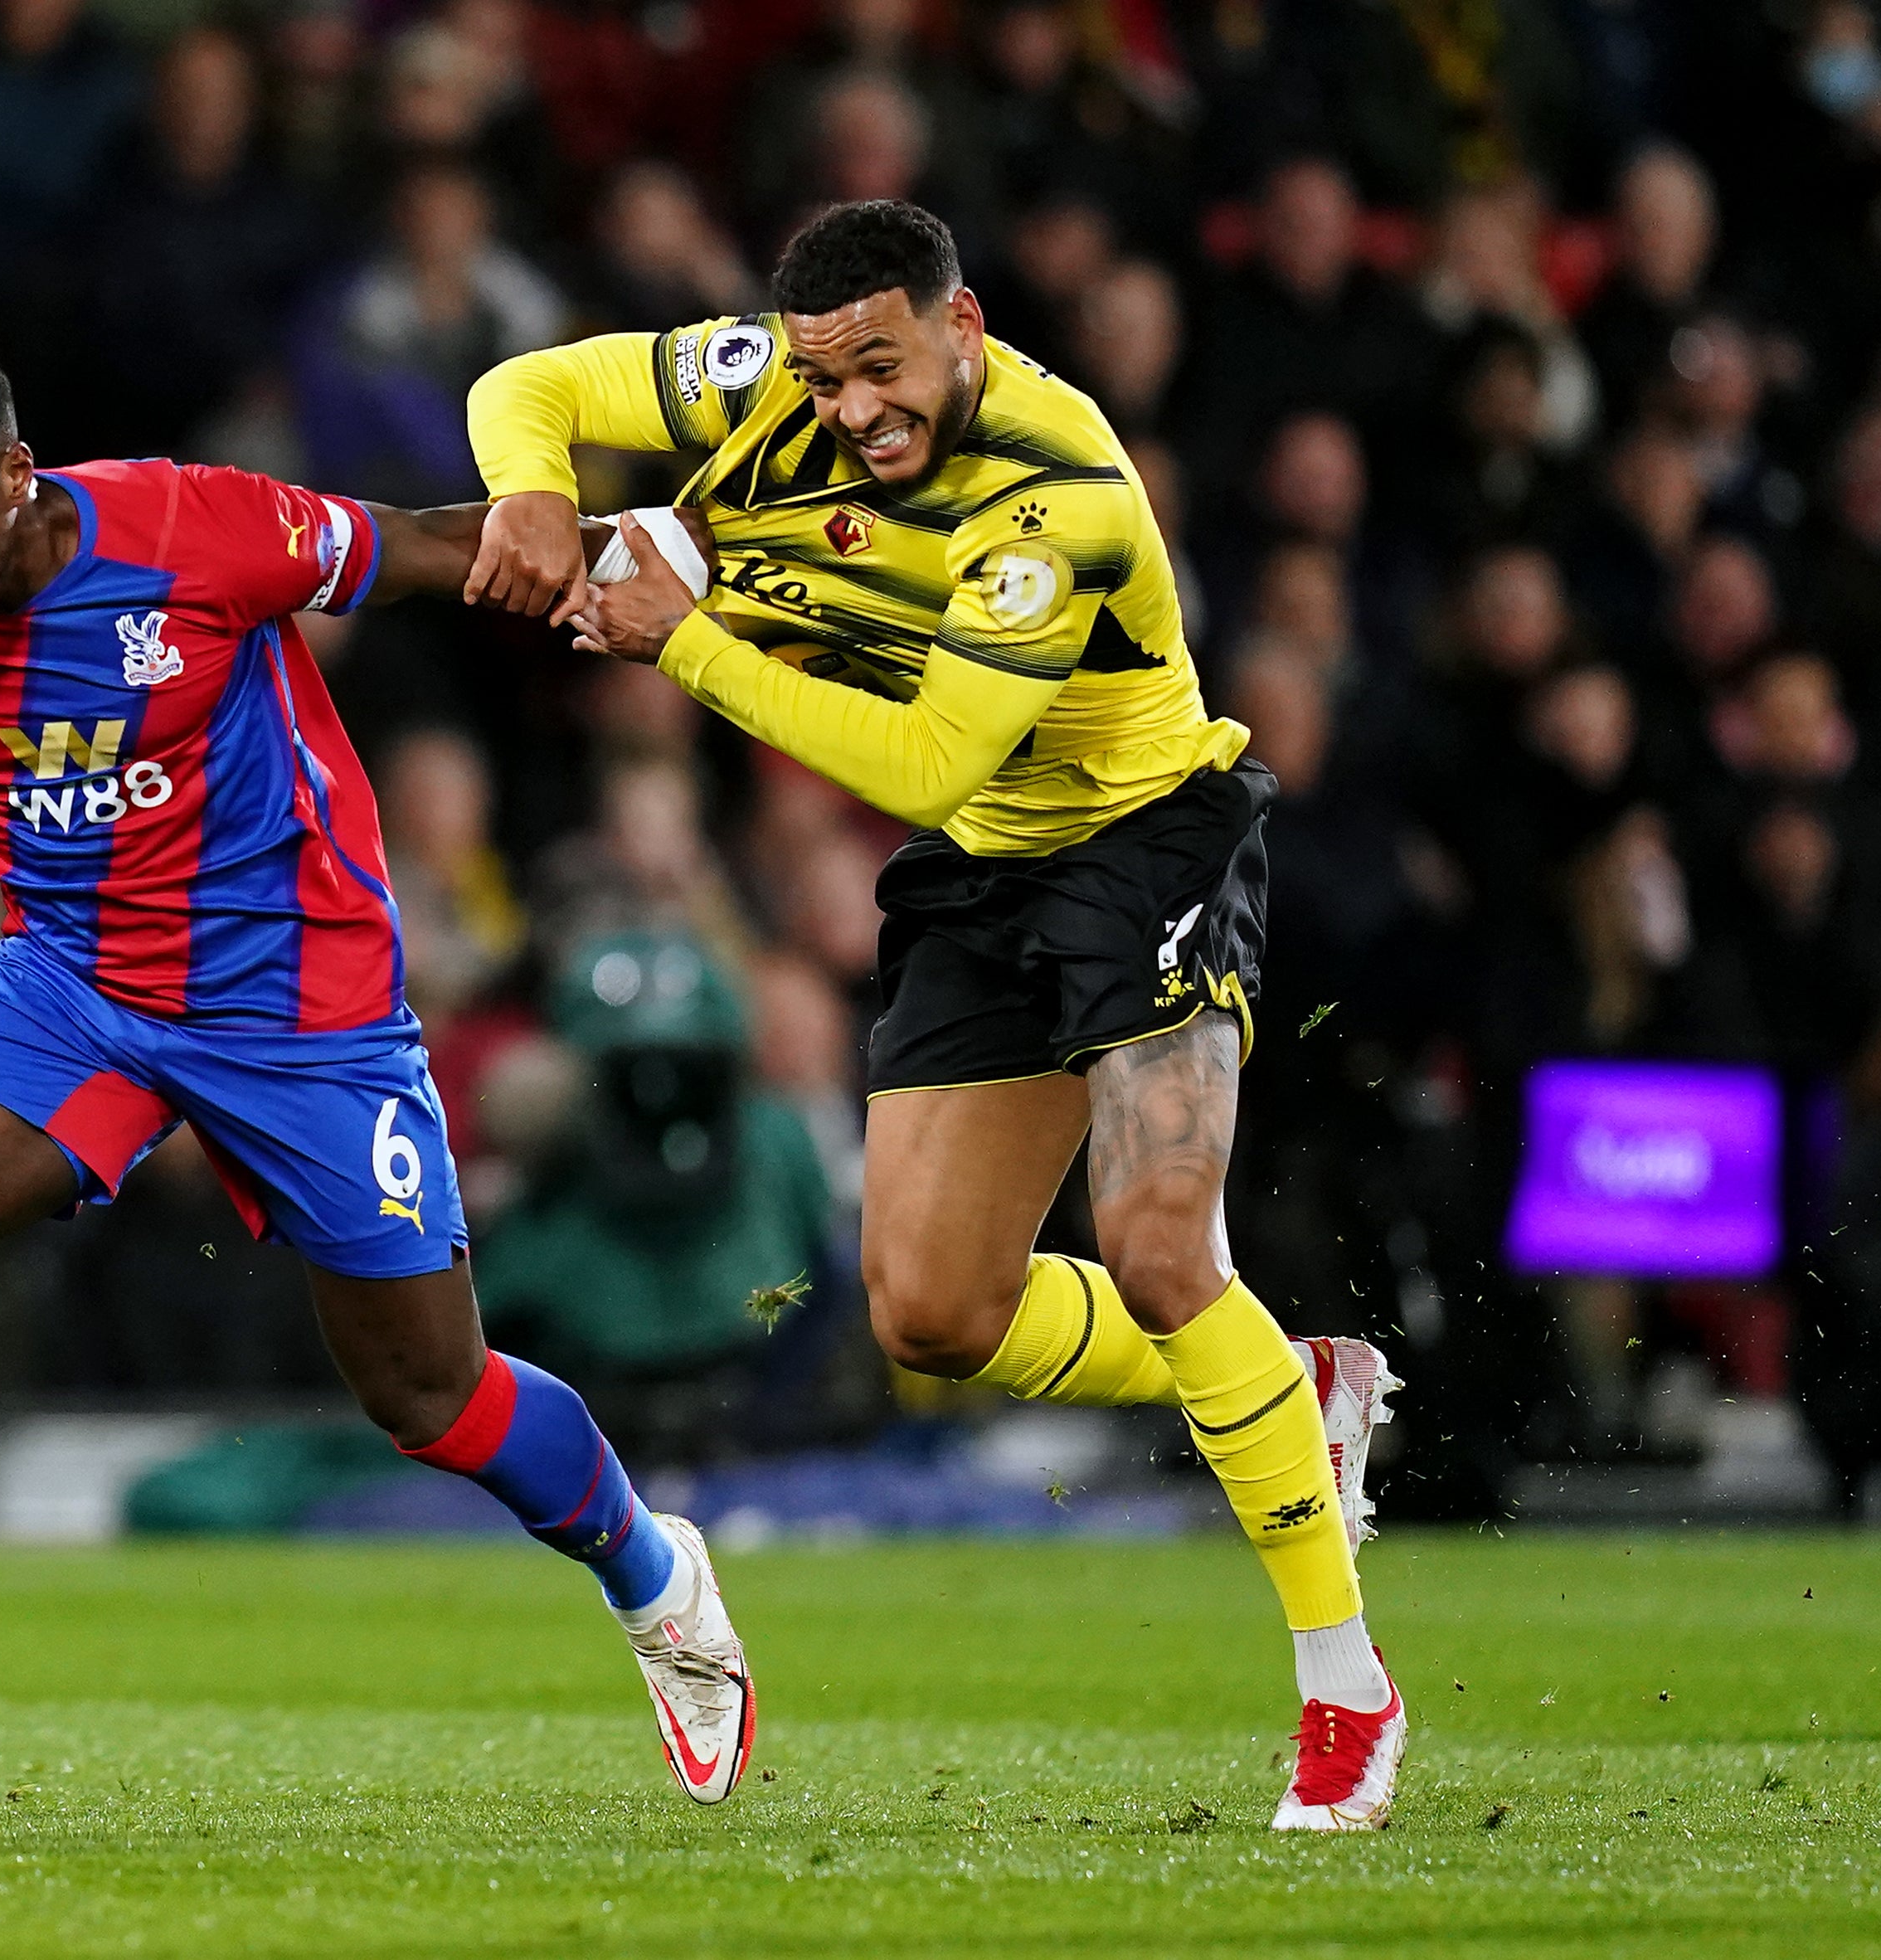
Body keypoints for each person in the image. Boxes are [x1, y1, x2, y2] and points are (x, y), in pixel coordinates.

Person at [0, 343, 755, 1803]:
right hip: (71, 984)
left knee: (432, 1399)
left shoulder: (189, 529)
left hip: (301, 1009)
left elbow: (414, 547)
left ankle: (658, 1582)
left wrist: (644, 549)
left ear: (15, 477)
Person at [460, 199, 1404, 1831]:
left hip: (1137, 846)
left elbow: (918, 765)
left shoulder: (1058, 499)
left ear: (959, 331)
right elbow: (522, 386)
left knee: (1162, 1243)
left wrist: (677, 635)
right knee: (927, 1315)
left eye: (883, 369)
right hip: (983, 882)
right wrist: (536, 498)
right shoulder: (782, 367)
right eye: (826, 382)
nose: (852, 410)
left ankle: (1343, 1692)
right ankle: (1287, 1386)